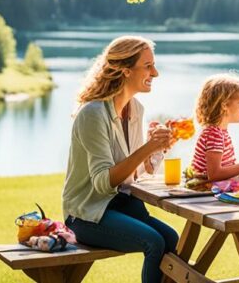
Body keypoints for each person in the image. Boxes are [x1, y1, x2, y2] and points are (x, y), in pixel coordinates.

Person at [62, 36, 179, 283]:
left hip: (121, 205)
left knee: (171, 238)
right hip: (87, 214)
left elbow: (134, 174)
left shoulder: (135, 109)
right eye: (148, 66)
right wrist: (148, 146)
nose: (155, 73)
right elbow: (103, 183)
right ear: (126, 71)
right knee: (154, 242)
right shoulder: (93, 113)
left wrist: (158, 148)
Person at [190, 74, 239, 181]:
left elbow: (227, 170)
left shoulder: (219, 132)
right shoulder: (214, 134)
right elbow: (215, 175)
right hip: (207, 194)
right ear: (224, 105)